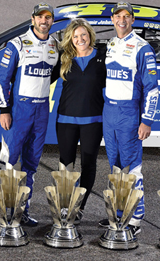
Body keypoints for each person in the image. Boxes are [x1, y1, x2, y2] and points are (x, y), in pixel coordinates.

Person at [0, 2, 59, 227]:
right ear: (32, 19)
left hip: (41, 111)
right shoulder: (17, 44)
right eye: (40, 17)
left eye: (48, 17)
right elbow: (1, 80)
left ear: (52, 21)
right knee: (8, 162)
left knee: (31, 164)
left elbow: (55, 74)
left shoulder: (55, 46)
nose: (44, 21)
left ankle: (22, 210)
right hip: (19, 111)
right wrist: (4, 110)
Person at [99, 2, 159, 235]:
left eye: (126, 16)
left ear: (133, 20)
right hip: (110, 113)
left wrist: (147, 121)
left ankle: (135, 219)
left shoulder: (143, 48)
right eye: (117, 16)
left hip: (129, 115)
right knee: (115, 167)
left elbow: (152, 89)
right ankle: (119, 214)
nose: (121, 20)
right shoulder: (112, 44)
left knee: (132, 168)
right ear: (112, 20)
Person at [53, 18, 106, 224]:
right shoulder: (64, 58)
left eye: (83, 35)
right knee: (66, 164)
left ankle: (79, 207)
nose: (80, 39)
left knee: (89, 164)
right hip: (66, 119)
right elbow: (41, 78)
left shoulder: (102, 57)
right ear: (70, 39)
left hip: (93, 120)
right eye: (76, 36)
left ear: (90, 35)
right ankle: (65, 206)